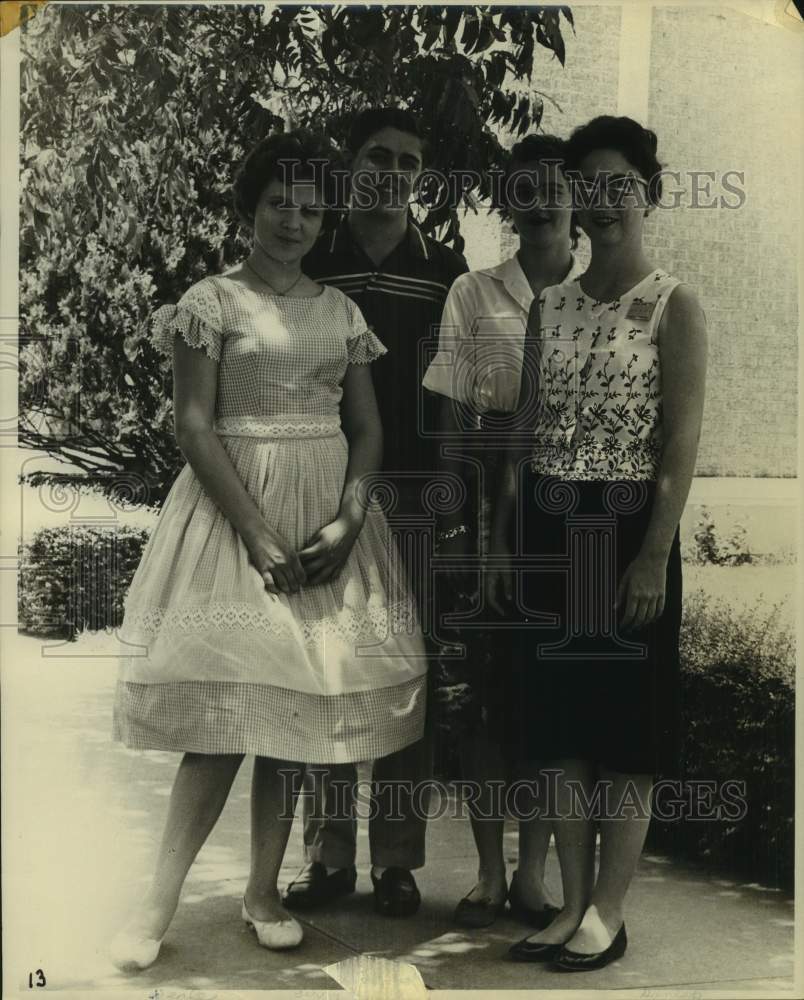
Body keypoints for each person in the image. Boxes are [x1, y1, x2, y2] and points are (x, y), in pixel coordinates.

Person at [109, 129, 427, 970]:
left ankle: (261, 889)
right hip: (233, 519)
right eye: (281, 202)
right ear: (250, 207)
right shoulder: (208, 302)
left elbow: (367, 428)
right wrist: (255, 532)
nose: (296, 219)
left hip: (325, 522)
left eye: (312, 206)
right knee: (219, 723)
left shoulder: (341, 311)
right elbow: (193, 424)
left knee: (289, 715)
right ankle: (157, 903)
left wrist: (350, 519)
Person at [488, 116, 707, 970]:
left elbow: (681, 442)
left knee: (626, 733)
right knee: (558, 729)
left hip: (625, 535)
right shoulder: (551, 307)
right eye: (591, 185)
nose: (605, 201)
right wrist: (504, 540)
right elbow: (525, 429)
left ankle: (607, 914)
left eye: (622, 184)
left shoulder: (673, 305)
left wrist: (654, 552)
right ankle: (569, 906)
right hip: (551, 524)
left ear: (646, 194)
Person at [282, 107, 468, 918]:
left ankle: (397, 860)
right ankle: (325, 858)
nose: (391, 172)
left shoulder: (445, 268)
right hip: (323, 491)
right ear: (349, 164)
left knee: (404, 678)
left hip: (418, 503)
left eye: (407, 161)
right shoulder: (312, 256)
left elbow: (457, 397)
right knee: (326, 671)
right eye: (376, 156)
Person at [422, 134, 584, 929]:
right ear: (508, 203)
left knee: (554, 699)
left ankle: (535, 875)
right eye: (527, 187)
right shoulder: (474, 291)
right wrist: (460, 525)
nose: (544, 199)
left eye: (558, 185)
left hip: (572, 502)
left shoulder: (600, 296)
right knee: (485, 696)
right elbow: (451, 414)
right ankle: (489, 869)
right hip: (492, 500)